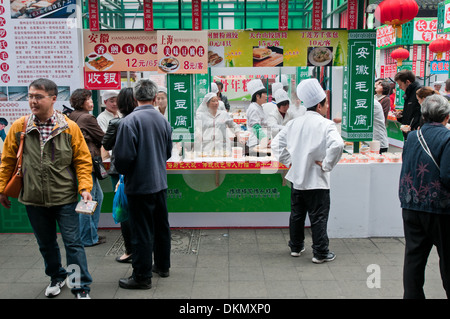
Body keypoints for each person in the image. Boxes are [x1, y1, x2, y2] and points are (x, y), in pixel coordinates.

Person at [0, 78, 93, 299]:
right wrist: (3, 188)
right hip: (34, 198)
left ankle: (79, 286)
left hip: (66, 197)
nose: (33, 100)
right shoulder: (19, 127)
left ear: (53, 98)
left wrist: (85, 187)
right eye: (31, 96)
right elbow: (8, 161)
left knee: (73, 244)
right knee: (46, 244)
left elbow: (82, 160)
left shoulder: (69, 127)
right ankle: (56, 277)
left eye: (38, 96)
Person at [272, 78, 344, 264]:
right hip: (317, 180)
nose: (327, 107)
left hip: (297, 179)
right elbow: (337, 144)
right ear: (319, 105)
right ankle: (320, 252)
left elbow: (276, 145)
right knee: (318, 217)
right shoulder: (326, 124)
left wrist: (291, 162)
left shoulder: (294, 123)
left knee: (296, 215)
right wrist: (327, 164)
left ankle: (296, 247)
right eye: (326, 103)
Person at [115, 79, 172, 290]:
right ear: (155, 97)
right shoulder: (162, 119)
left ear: (134, 98)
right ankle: (163, 266)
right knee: (161, 227)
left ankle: (141, 276)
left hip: (139, 185)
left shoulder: (129, 122)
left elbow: (122, 159)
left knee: (141, 231)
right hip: (160, 182)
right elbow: (167, 152)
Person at [399, 94, 450, 299]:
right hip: (441, 209)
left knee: (414, 258)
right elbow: (447, 175)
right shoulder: (447, 138)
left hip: (411, 204)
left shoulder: (412, 137)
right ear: (446, 116)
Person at [102, 87, 138, 264]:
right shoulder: (145, 120)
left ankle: (130, 251)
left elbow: (106, 144)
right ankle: (143, 249)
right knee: (142, 211)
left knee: (124, 210)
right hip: (141, 172)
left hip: (121, 173)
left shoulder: (117, 123)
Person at [69, 89, 105, 247]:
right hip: (88, 163)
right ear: (81, 102)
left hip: (77, 162)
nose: (91, 102)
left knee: (97, 198)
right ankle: (87, 237)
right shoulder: (87, 117)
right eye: (89, 99)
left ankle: (91, 233)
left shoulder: (72, 115)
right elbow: (103, 137)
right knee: (89, 200)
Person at [394, 69, 423, 140]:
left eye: (400, 84)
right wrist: (400, 116)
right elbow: (409, 113)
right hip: (409, 133)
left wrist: (415, 127)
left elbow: (421, 114)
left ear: (407, 82)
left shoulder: (419, 92)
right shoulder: (408, 94)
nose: (400, 87)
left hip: (416, 133)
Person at [246, 79, 271, 150]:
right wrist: (265, 140)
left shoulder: (259, 107)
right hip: (255, 144)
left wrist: (268, 139)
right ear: (257, 96)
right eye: (264, 94)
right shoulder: (253, 108)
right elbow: (256, 127)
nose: (267, 96)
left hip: (260, 143)